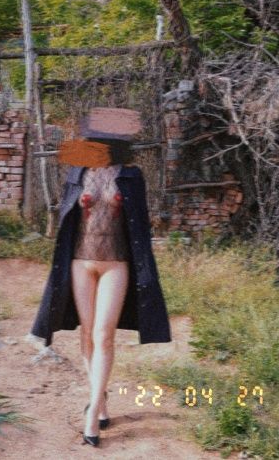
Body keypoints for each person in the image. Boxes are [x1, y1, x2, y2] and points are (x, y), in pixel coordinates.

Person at [30, 108, 172, 448]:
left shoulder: (131, 175)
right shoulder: (77, 171)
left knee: (104, 335)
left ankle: (93, 411)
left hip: (116, 264)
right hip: (80, 262)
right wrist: (81, 205)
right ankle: (101, 396)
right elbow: (66, 218)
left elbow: (141, 226)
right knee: (87, 335)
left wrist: (121, 207)